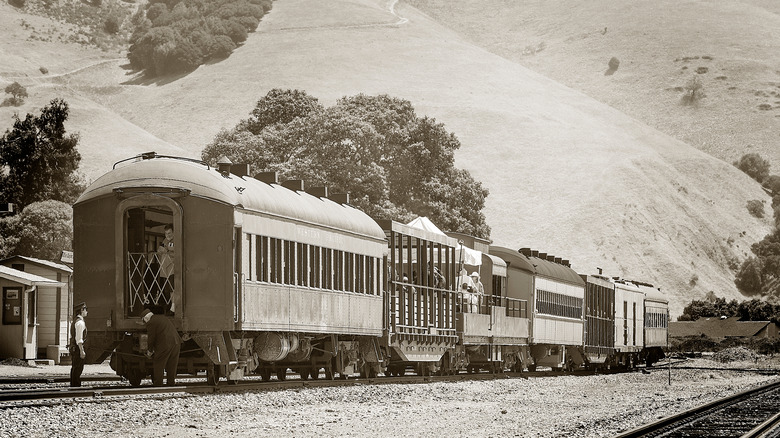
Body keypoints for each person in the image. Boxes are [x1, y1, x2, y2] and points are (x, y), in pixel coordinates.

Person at [140, 308, 182, 386]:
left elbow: (151, 338)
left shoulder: (151, 322)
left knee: (159, 363)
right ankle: (171, 383)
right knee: (172, 364)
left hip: (165, 344)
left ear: (146, 318)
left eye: (143, 320)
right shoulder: (162, 317)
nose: (144, 323)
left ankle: (158, 384)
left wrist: (149, 351)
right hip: (176, 342)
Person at [157, 224, 175, 314]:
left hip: (172, 268)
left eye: (169, 233)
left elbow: (176, 250)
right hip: (165, 269)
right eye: (166, 233)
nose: (168, 235)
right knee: (167, 289)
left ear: (174, 232)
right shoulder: (165, 240)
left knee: (172, 289)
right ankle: (170, 306)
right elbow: (160, 250)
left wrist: (167, 249)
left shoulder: (175, 240)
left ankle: (174, 308)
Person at [69, 302, 88, 387]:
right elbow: (79, 339)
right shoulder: (80, 323)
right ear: (81, 310)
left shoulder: (75, 321)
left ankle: (74, 385)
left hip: (74, 347)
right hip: (77, 348)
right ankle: (76, 386)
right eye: (85, 309)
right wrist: (82, 351)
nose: (87, 312)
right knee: (78, 368)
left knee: (75, 367)